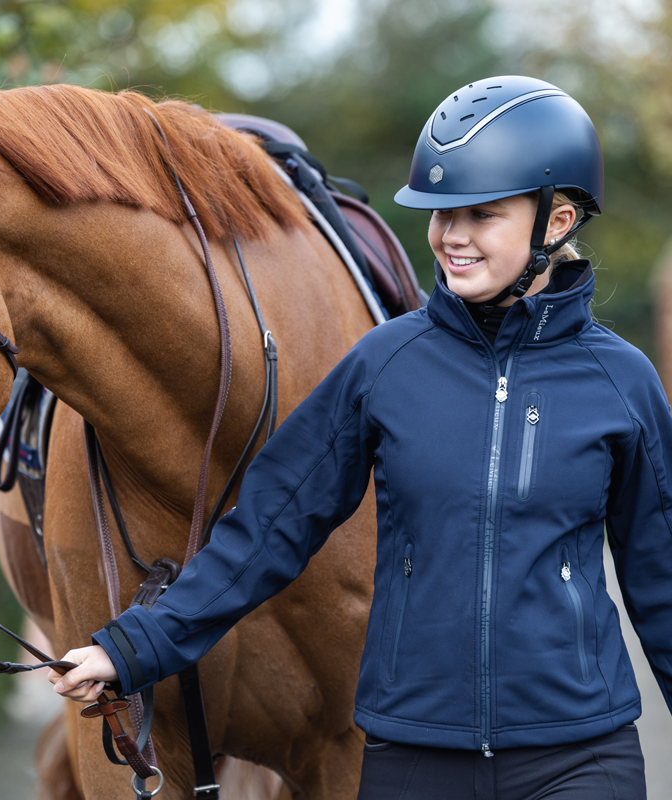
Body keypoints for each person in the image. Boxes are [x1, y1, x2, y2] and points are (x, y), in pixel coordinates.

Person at [49, 76, 669, 798]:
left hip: (580, 756)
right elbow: (266, 529)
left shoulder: (621, 381)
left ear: (556, 221)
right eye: (442, 212)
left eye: (482, 214)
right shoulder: (384, 364)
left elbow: (660, 578)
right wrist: (133, 649)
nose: (452, 236)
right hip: (414, 755)